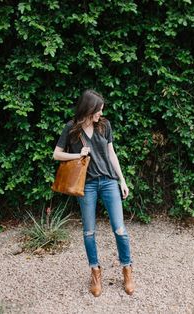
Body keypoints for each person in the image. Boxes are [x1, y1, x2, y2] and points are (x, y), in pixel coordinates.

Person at [53, 89, 135, 297]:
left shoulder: (104, 125)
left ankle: (127, 270)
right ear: (88, 109)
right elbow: (56, 154)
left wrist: (122, 180)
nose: (100, 114)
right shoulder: (71, 128)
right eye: (98, 110)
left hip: (108, 182)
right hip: (86, 185)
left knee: (120, 230)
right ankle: (95, 272)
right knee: (89, 232)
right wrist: (76, 154)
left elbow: (111, 153)